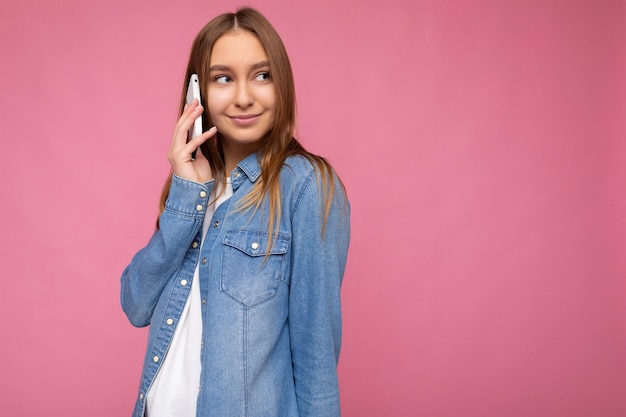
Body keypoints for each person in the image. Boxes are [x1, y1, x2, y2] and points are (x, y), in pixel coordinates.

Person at [120, 7, 350, 417]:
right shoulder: (191, 187)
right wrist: (187, 194)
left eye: (262, 75)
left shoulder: (306, 186)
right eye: (223, 78)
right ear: (198, 94)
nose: (244, 96)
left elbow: (316, 357)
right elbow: (135, 304)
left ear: (282, 85)